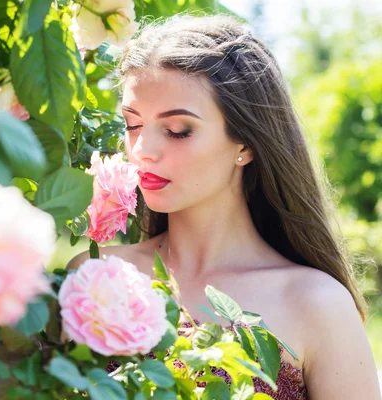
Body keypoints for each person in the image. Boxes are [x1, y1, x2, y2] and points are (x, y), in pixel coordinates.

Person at [66, 14, 382, 399]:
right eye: (133, 125)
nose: (142, 151)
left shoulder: (318, 304)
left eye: (177, 130)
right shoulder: (94, 276)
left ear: (245, 144)